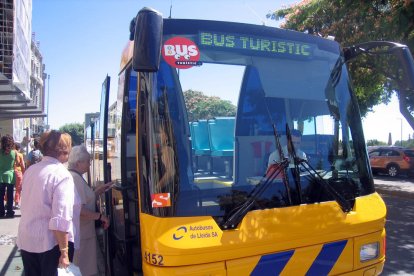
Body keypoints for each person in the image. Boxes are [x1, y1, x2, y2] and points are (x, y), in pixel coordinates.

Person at [17, 130, 81, 275]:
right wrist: (64, 252)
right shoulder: (62, 175)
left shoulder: (31, 170)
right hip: (51, 244)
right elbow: (60, 218)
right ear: (64, 151)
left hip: (27, 239)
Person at [68, 145, 113, 276]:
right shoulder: (75, 179)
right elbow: (78, 209)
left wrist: (97, 192)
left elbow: (84, 200)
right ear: (78, 163)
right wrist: (100, 216)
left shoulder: (76, 176)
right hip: (82, 236)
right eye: (88, 161)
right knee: (83, 269)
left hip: (83, 234)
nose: (89, 165)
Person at [0, 135, 17, 218]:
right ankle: (9, 212)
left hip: (1, 175)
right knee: (10, 195)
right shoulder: (14, 153)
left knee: (0, 195)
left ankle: (1, 211)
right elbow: (15, 164)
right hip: (10, 175)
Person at [13, 142, 25, 210]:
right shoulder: (20, 155)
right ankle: (16, 203)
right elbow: (22, 165)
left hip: (12, 172)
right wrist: (24, 173)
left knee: (10, 188)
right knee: (18, 189)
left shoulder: (10, 153)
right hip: (18, 172)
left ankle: (7, 203)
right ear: (19, 148)